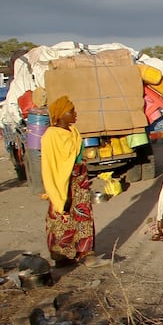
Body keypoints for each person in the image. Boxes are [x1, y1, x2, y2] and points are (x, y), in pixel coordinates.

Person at [40, 97, 102, 268]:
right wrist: (59, 193)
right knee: (62, 219)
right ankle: (62, 256)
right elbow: (50, 166)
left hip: (79, 181)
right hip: (62, 183)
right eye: (71, 111)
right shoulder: (51, 136)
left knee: (83, 218)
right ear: (61, 114)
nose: (75, 114)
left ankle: (86, 254)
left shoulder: (73, 131)